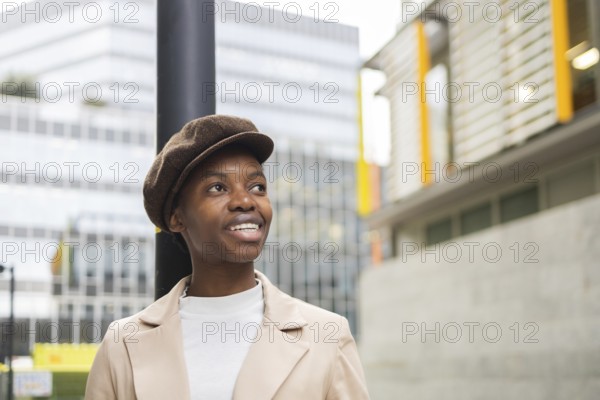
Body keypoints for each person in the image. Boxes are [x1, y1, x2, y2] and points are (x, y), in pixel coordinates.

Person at [84, 115, 370, 400]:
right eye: (217, 188)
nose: (246, 201)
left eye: (257, 186)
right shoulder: (122, 344)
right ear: (176, 217)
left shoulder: (327, 336)